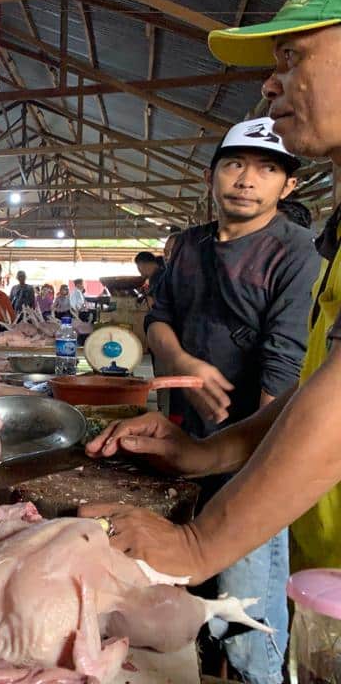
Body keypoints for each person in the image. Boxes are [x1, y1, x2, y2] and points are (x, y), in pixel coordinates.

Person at [80, 0, 341, 606]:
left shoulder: (293, 248)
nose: (271, 88)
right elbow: (319, 386)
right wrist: (206, 454)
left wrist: (198, 544)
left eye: (292, 58)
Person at [138, 117, 317, 682]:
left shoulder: (296, 252)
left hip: (253, 450)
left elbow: (285, 365)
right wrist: (185, 364)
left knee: (245, 603)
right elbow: (157, 319)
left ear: (287, 187)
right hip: (183, 441)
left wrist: (255, 459)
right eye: (235, 164)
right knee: (188, 591)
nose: (247, 180)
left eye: (267, 169)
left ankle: (253, 673)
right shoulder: (189, 245)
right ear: (212, 174)